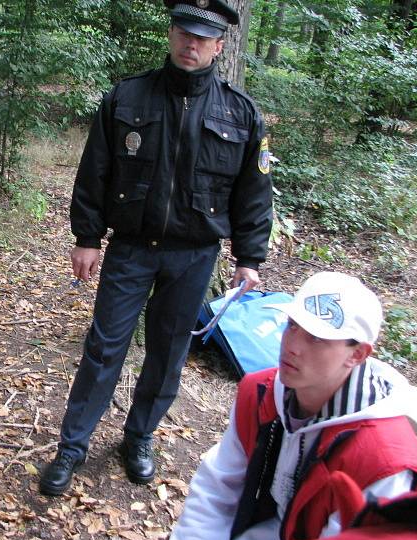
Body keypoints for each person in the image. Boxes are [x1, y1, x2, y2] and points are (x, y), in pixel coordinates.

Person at [39, 0, 273, 496]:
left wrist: (250, 258)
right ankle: (72, 447)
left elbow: (253, 192)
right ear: (171, 35)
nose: (191, 44)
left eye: (202, 38)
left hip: (194, 255)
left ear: (219, 45)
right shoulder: (128, 98)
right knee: (104, 348)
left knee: (168, 355)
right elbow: (95, 171)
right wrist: (87, 236)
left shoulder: (240, 113)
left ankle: (138, 438)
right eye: (183, 33)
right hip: (131, 249)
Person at [104, 271, 417, 540]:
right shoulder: (262, 393)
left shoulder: (383, 461)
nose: (292, 346)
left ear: (357, 354)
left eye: (316, 338)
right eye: (293, 327)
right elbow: (217, 491)